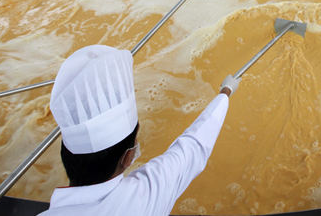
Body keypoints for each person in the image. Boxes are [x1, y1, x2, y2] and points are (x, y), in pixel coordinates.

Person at [38, 45, 237, 215]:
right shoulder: (141, 200)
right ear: (127, 157)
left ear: (67, 154)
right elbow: (193, 146)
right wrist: (225, 92)